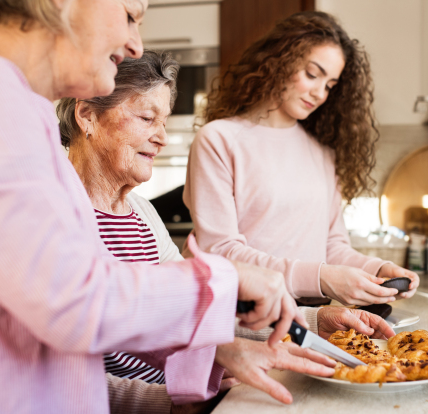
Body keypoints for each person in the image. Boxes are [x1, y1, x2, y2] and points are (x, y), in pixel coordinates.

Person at [0, 1, 305, 412]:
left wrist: (217, 353)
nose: (135, 45)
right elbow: (75, 303)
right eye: (130, 15)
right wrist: (222, 280)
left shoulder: (22, 114)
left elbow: (65, 313)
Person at [57, 49, 394, 411]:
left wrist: (312, 321)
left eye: (164, 122)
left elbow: (193, 313)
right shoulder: (54, 217)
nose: (162, 138)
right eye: (146, 118)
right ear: (87, 115)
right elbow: (63, 376)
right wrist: (167, 402)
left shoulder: (142, 213)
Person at [183, 11, 420, 307]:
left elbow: (331, 246)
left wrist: (375, 269)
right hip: (240, 315)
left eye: (330, 85)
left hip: (311, 317)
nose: (320, 93)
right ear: (279, 61)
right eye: (312, 74)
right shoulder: (218, 140)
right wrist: (320, 278)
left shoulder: (322, 154)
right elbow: (219, 250)